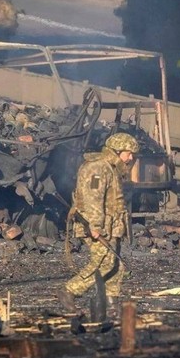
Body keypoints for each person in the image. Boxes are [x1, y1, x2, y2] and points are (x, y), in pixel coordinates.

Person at [57, 132, 139, 316]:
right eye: (128, 153)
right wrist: (95, 227)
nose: (130, 158)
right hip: (96, 226)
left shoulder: (110, 168)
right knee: (104, 262)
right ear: (117, 151)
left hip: (110, 226)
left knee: (116, 264)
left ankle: (111, 303)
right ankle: (69, 291)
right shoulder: (97, 168)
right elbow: (92, 199)